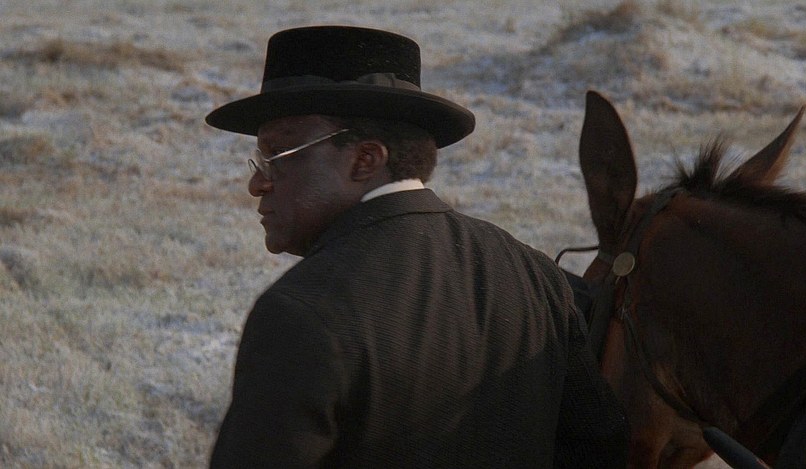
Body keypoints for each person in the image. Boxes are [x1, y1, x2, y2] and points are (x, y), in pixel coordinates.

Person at [204, 25, 628, 468]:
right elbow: (600, 450)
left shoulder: (302, 312)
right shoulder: (537, 279)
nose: (257, 183)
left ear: (365, 160)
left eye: (277, 156)